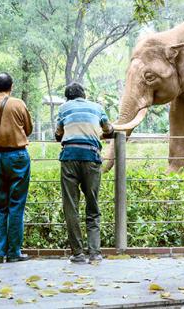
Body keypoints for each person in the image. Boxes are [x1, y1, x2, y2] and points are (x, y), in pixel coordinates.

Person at [55, 82, 114, 264]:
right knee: (93, 205)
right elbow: (108, 129)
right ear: (84, 95)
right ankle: (95, 253)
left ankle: (78, 254)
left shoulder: (64, 108)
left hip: (69, 158)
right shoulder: (97, 108)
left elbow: (58, 134)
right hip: (91, 157)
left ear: (67, 98)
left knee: (71, 206)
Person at [0, 72, 33, 263]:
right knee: (16, 205)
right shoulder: (18, 104)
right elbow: (28, 129)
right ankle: (14, 252)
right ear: (12, 86)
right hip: (18, 157)